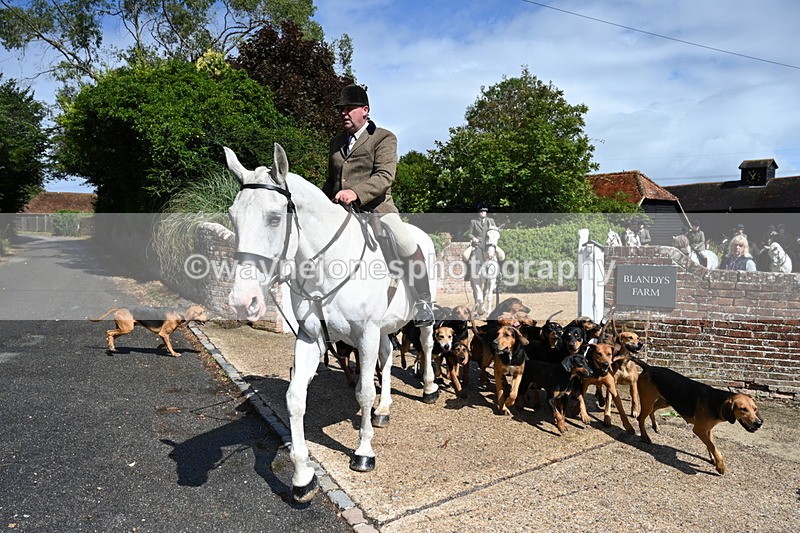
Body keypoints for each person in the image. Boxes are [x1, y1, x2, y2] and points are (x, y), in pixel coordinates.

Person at [322, 84, 433, 325]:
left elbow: (384, 176)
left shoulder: (384, 137)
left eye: (349, 108)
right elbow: (331, 180)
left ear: (365, 110)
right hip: (342, 212)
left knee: (405, 242)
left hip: (377, 210)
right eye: (341, 109)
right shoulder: (336, 142)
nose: (344, 113)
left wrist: (355, 192)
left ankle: (423, 301)